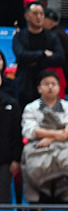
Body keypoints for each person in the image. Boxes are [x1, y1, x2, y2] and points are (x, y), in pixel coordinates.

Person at [20, 71, 68, 203]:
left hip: (63, 149)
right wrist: (58, 134)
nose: (50, 87)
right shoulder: (31, 108)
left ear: (59, 87)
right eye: (46, 84)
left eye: (54, 84)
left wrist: (51, 138)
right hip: (38, 148)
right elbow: (30, 130)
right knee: (34, 174)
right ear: (39, 88)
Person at [12, 2, 66, 107]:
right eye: (35, 13)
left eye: (41, 14)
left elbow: (60, 58)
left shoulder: (51, 36)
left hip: (45, 82)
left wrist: (34, 59)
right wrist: (43, 53)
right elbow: (21, 55)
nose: (39, 17)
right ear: (26, 16)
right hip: (24, 83)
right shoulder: (20, 36)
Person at [0, 76, 22, 204]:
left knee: (3, 199)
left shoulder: (10, 104)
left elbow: (16, 134)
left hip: (4, 160)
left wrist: (16, 158)